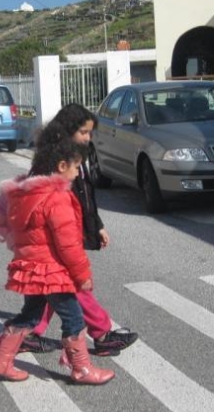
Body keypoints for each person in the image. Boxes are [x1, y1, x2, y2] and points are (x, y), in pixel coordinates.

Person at [0, 121, 114, 385]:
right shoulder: (57, 198)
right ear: (61, 167)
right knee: (73, 318)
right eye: (76, 167)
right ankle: (81, 369)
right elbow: (68, 246)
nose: (78, 173)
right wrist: (82, 276)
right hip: (53, 271)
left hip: (32, 267)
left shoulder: (27, 193)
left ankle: (1, 361)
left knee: (31, 315)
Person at [21, 103, 138, 355]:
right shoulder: (54, 163)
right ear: (67, 131)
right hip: (56, 242)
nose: (88, 137)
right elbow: (50, 210)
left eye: (90, 132)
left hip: (67, 237)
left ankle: (28, 333)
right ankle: (102, 334)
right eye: (84, 132)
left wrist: (97, 226)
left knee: (49, 289)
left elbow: (86, 199)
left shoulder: (77, 157)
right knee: (77, 285)